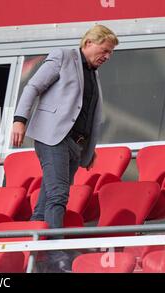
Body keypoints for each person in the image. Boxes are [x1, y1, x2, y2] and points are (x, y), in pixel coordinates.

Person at [11, 25, 119, 272]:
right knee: (59, 194)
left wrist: (89, 149)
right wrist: (20, 119)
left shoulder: (93, 73)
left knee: (47, 199)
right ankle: (54, 253)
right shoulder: (63, 56)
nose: (107, 56)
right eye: (105, 50)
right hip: (53, 138)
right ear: (89, 43)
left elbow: (87, 114)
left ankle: (33, 250)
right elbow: (33, 87)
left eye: (111, 53)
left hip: (74, 144)